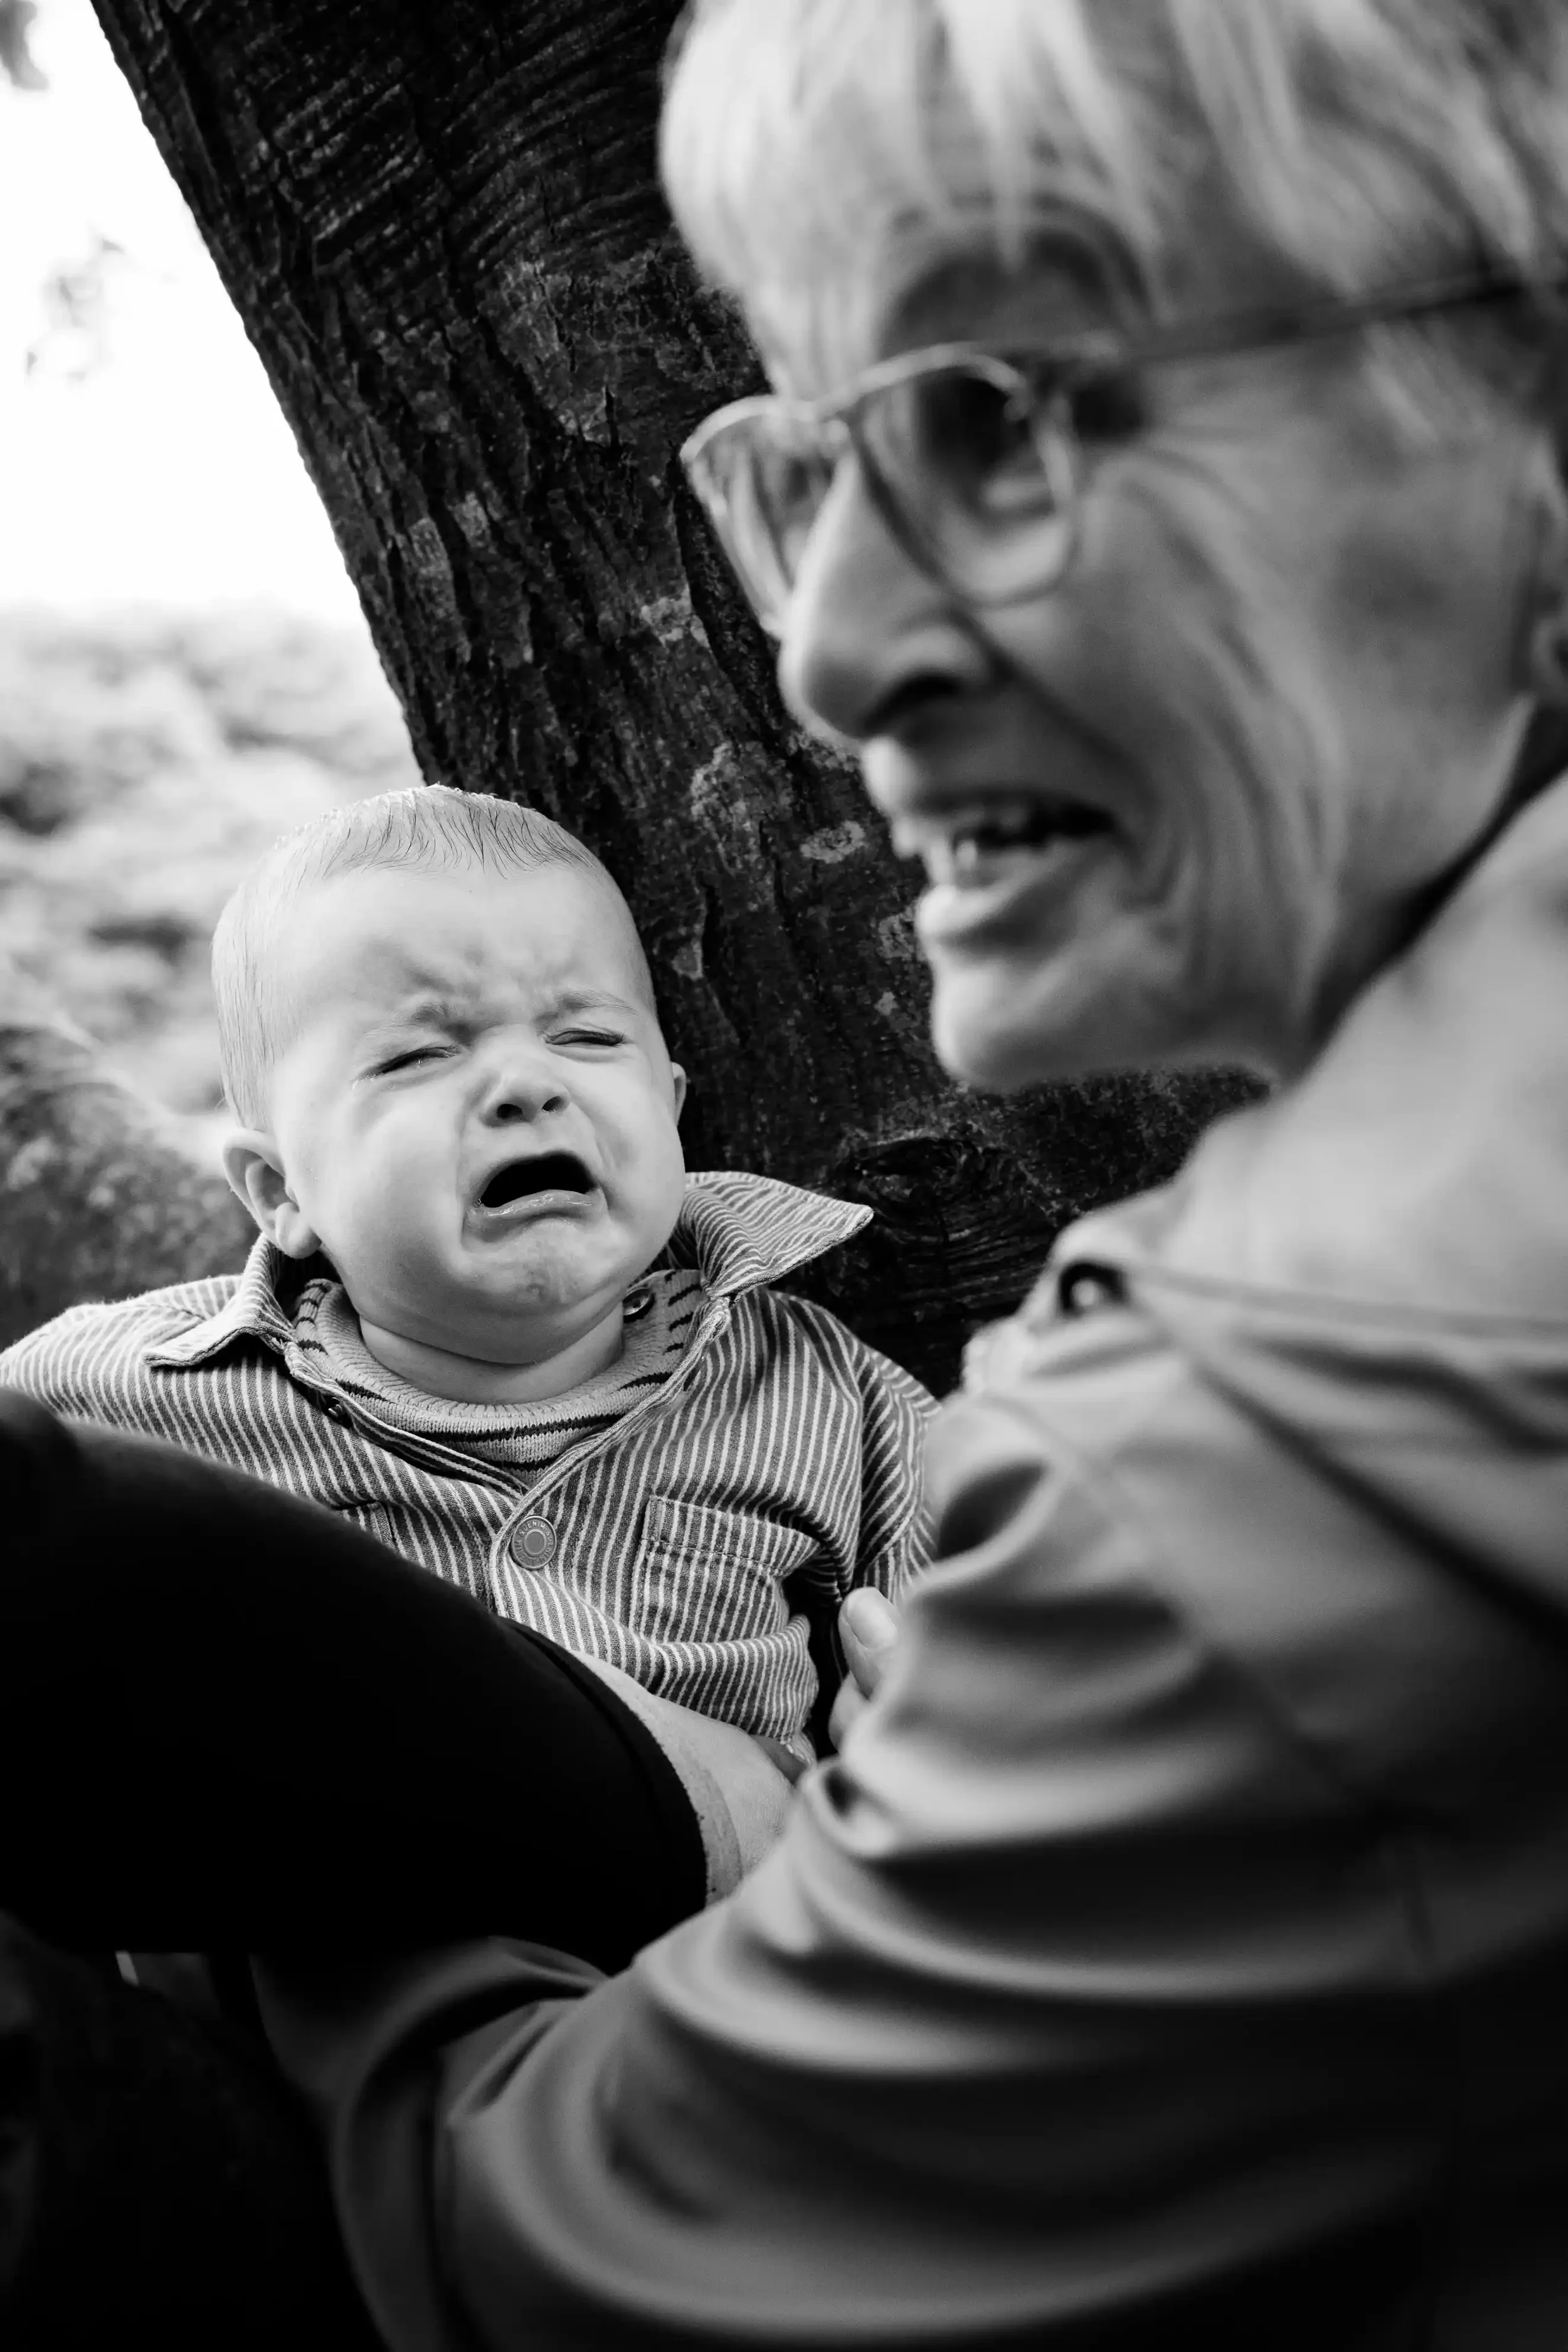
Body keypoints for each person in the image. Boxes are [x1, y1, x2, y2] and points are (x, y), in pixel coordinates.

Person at [11, 0, 1568, 2343]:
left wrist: (376, 1804)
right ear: (273, 1177)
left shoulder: (1294, 1409)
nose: (830, 644)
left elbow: (603, 2244)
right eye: (799, 474)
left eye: (994, 421)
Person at [0, 782, 930, 1961]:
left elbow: (995, 1650)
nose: (526, 1083)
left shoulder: (821, 1392)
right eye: (421, 1052)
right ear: (282, 1193)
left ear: (672, 1106)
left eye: (587, 1036)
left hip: (752, 1973)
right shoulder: (132, 1390)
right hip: (340, 1992)